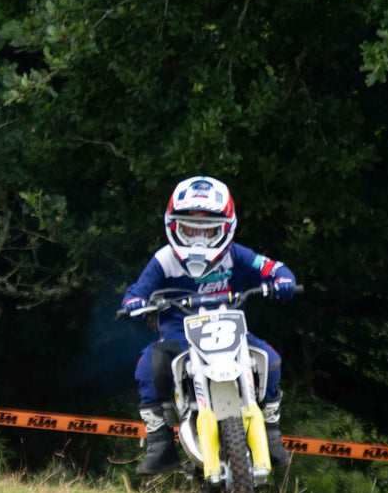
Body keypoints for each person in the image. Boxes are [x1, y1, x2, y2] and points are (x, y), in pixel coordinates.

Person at [121, 176, 297, 475]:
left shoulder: (235, 254)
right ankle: (160, 443)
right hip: (181, 335)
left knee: (270, 359)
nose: (199, 237)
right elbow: (137, 291)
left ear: (226, 226)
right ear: (174, 225)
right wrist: (133, 304)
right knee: (147, 366)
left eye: (208, 229)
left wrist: (283, 281)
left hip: (233, 332)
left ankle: (271, 433)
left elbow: (273, 268)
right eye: (190, 228)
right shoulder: (165, 259)